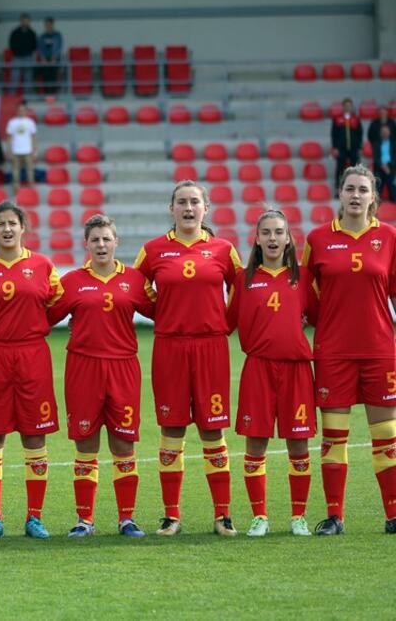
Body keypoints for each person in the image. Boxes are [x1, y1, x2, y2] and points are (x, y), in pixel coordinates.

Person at [133, 180, 243, 537]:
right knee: (172, 427)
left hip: (211, 347)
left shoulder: (224, 250)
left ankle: (223, 515)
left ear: (206, 208)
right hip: (170, 347)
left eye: (195, 201)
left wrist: (222, 325)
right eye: (181, 202)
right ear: (171, 209)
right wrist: (162, 314)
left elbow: (241, 290)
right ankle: (171, 516)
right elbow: (135, 289)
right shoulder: (153, 251)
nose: (188, 208)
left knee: (213, 427)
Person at [302, 165, 396, 536]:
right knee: (334, 437)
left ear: (374, 197)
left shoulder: (389, 237)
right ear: (338, 194)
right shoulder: (318, 238)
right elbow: (308, 297)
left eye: (363, 190)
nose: (356, 196)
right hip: (334, 351)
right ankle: (335, 516)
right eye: (349, 189)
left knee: (387, 436)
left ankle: (393, 515)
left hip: (379, 350)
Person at [47, 214, 155, 539]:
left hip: (123, 367)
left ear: (116, 242)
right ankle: (85, 520)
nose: (101, 244)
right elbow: (46, 316)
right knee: (85, 444)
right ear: (87, 244)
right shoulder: (72, 281)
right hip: (83, 368)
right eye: (95, 239)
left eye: (107, 239)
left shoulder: (134, 280)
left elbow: (162, 312)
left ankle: (127, 519)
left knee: (124, 444)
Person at [0, 202, 63, 539]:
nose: (6, 229)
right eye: (0, 224)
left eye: (12, 223)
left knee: (35, 434)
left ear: (23, 228)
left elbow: (57, 306)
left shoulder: (43, 265)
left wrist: (30, 328)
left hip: (32, 355)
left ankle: (35, 517)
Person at [227, 210, 316, 537]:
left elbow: (320, 313)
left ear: (289, 238)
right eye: (267, 232)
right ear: (258, 238)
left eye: (279, 232)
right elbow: (225, 320)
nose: (273, 238)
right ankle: (259, 516)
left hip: (296, 370)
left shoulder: (304, 276)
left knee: (299, 443)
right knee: (256, 443)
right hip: (259, 368)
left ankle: (298, 517)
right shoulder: (244, 278)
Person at [331, 98, 363, 187]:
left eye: (349, 106)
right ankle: (339, 189)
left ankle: (355, 187)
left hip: (354, 148)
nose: (347, 107)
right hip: (341, 149)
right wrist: (335, 148)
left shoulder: (356, 119)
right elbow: (334, 135)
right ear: (343, 106)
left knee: (355, 170)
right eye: (346, 105)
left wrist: (360, 147)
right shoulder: (337, 119)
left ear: (351, 107)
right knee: (340, 169)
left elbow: (360, 134)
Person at [6, 102, 37, 190]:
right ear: (17, 111)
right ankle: (16, 192)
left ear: (26, 111)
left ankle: (31, 190)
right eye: (19, 110)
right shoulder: (12, 122)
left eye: (23, 110)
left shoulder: (30, 122)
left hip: (28, 151)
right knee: (15, 173)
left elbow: (33, 137)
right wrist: (9, 150)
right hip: (16, 151)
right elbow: (9, 138)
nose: (21, 111)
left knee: (30, 172)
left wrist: (35, 150)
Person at [8, 14, 37, 94]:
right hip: (17, 57)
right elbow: (11, 44)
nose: (25, 22)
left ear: (29, 22)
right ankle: (11, 97)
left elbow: (34, 46)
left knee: (28, 79)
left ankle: (28, 98)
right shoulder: (15, 32)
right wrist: (17, 52)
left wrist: (28, 52)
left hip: (28, 57)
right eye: (24, 20)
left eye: (27, 21)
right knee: (14, 78)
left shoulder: (32, 33)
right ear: (21, 21)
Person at [37, 17, 63, 93]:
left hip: (54, 60)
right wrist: (43, 59)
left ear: (52, 24)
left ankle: (54, 95)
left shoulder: (57, 35)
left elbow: (59, 47)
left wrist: (54, 58)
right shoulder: (42, 36)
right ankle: (47, 95)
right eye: (46, 24)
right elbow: (40, 48)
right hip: (45, 60)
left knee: (54, 77)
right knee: (46, 78)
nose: (48, 26)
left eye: (49, 24)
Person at [374, 125, 395, 201]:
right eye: (383, 132)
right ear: (380, 133)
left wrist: (388, 166)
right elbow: (375, 158)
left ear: (389, 133)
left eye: (386, 132)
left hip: (391, 169)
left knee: (393, 191)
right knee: (377, 191)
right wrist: (382, 166)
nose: (385, 133)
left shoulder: (394, 144)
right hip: (379, 169)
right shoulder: (376, 144)